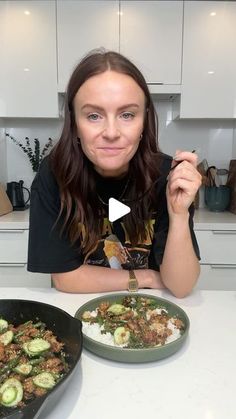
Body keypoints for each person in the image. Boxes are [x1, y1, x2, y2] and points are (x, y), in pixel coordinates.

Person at [27, 49, 202, 297]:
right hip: (80, 312)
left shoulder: (167, 176)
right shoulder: (55, 174)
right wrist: (148, 277)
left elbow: (181, 287)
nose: (111, 132)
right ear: (75, 123)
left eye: (127, 114)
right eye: (94, 116)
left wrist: (179, 213)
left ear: (144, 122)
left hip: (153, 314)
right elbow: (66, 279)